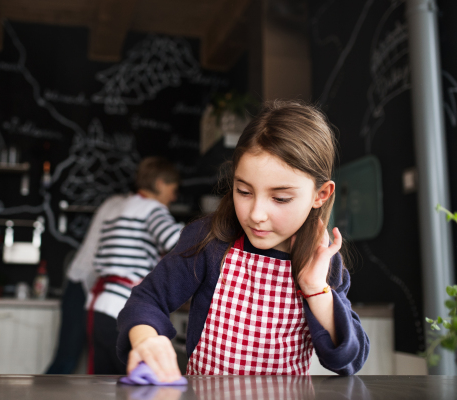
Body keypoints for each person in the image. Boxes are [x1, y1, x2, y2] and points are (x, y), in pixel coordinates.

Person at [117, 100, 370, 380]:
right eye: (244, 191)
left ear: (320, 195)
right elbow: (147, 299)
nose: (256, 214)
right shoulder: (209, 241)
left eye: (280, 198)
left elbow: (351, 360)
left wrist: (315, 289)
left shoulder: (323, 262)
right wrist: (146, 340)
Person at [87, 156, 184, 374]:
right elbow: (177, 242)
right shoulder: (153, 209)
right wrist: (205, 231)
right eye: (173, 189)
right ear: (160, 184)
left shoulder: (117, 208)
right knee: (134, 385)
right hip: (123, 309)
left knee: (104, 385)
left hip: (99, 307)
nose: (174, 196)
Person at [45, 194, 128, 374]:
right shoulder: (120, 205)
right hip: (83, 285)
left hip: (96, 291)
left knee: (102, 369)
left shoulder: (115, 204)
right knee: (65, 362)